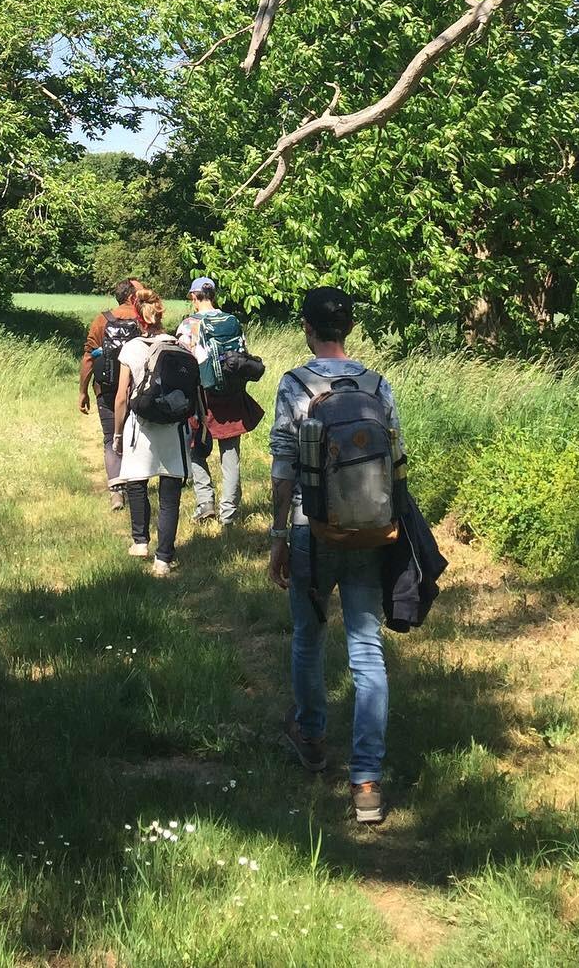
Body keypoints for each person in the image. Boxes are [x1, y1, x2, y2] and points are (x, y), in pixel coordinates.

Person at [268, 285, 403, 826]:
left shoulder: (295, 384)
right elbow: (395, 462)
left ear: (308, 327)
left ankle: (312, 736)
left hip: (312, 529)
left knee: (308, 636)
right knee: (366, 649)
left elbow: (282, 466)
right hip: (370, 532)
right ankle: (367, 781)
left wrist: (278, 536)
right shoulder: (377, 384)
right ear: (348, 328)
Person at [114, 290, 193, 578]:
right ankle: (164, 559)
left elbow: (122, 396)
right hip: (173, 426)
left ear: (138, 317)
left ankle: (140, 542)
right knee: (170, 493)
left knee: (136, 481)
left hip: (141, 425)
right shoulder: (179, 345)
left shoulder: (131, 347)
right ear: (161, 315)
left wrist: (117, 434)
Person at [177, 275, 261, 528]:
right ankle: (229, 515)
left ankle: (205, 504)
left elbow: (183, 362)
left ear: (194, 296)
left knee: (195, 449)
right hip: (232, 395)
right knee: (231, 454)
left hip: (202, 397)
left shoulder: (189, 324)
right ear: (214, 295)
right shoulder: (232, 321)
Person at [79, 278, 146, 511]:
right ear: (131, 297)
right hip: (137, 387)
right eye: (140, 291)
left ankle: (117, 492)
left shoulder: (101, 320)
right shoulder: (142, 319)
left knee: (111, 438)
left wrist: (83, 391)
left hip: (106, 388)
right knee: (136, 435)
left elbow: (89, 356)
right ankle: (137, 484)